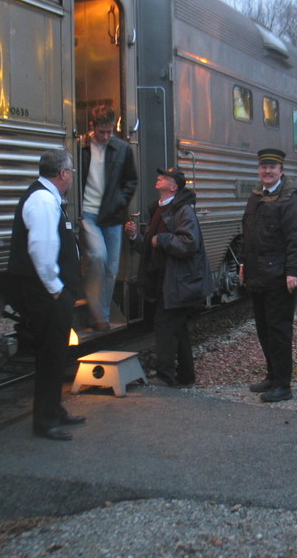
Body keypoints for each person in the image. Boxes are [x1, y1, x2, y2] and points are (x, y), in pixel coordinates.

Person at [7, 149, 85, 441]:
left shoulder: (47, 196)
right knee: (50, 355)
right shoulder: (42, 199)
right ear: (63, 174)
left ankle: (54, 409)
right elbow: (41, 249)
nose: (71, 177)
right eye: (71, 172)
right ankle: (45, 421)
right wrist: (56, 290)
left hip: (50, 291)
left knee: (57, 353)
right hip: (46, 293)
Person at [124, 167, 213, 387]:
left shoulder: (183, 210)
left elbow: (189, 244)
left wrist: (162, 239)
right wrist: (135, 237)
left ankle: (165, 376)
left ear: (173, 187)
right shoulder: (160, 209)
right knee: (178, 329)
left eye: (163, 177)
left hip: (178, 281)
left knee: (164, 326)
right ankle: (185, 376)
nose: (159, 178)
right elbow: (150, 246)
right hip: (168, 280)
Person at [239, 148, 297, 403]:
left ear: (281, 170)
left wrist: (293, 271)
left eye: (272, 167)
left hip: (279, 278)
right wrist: (244, 265)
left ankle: (283, 384)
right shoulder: (256, 195)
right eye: (263, 167)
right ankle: (272, 375)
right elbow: (248, 234)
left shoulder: (292, 199)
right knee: (264, 330)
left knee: (279, 331)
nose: (266, 171)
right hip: (258, 275)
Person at [80, 106, 138, 332]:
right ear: (92, 127)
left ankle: (101, 315)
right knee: (97, 256)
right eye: (102, 132)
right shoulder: (81, 146)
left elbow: (130, 181)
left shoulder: (122, 148)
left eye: (110, 132)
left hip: (112, 217)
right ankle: (96, 311)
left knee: (111, 268)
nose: (106, 136)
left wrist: (119, 202)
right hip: (88, 213)